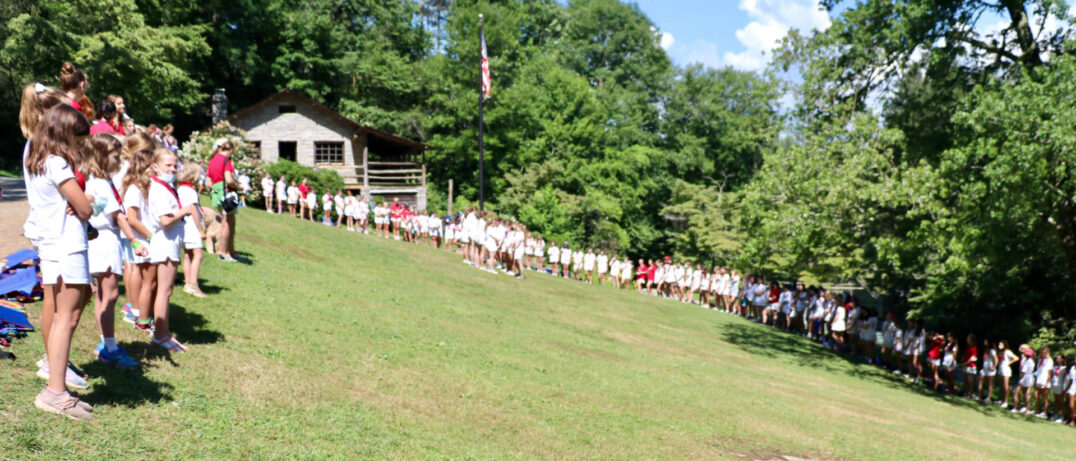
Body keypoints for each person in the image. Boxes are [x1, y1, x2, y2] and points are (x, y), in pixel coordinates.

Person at [25, 104, 95, 419]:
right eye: (78, 141)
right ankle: (55, 392)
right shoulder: (57, 164)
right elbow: (85, 209)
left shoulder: (35, 160)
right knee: (65, 318)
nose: (80, 147)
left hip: (52, 245)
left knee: (59, 317)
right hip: (68, 246)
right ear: (65, 135)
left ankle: (56, 387)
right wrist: (87, 199)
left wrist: (77, 200)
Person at [83, 133, 142, 369]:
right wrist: (134, 240)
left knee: (102, 294)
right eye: (116, 157)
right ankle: (109, 347)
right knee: (110, 295)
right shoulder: (100, 183)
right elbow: (117, 216)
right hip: (106, 240)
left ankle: (106, 341)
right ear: (101, 157)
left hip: (101, 239)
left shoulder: (99, 181)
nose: (119, 162)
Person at [144, 148, 196, 352]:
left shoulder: (165, 187)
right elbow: (165, 220)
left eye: (175, 166)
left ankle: (164, 332)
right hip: (165, 242)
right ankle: (160, 334)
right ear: (155, 168)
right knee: (164, 291)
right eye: (168, 166)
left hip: (170, 242)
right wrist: (184, 211)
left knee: (166, 290)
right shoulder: (158, 188)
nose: (173, 169)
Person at [207, 140, 240, 262]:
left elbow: (208, 182)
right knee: (227, 223)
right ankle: (224, 252)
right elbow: (229, 179)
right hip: (227, 193)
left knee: (229, 221)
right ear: (230, 150)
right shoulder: (227, 160)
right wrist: (239, 186)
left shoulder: (212, 161)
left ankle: (230, 251)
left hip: (217, 194)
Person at [177, 163, 207, 298]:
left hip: (183, 225)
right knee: (198, 254)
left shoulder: (180, 189)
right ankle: (193, 285)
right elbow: (193, 210)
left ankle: (187, 282)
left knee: (188, 254)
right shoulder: (191, 191)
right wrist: (200, 229)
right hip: (191, 226)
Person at [1014, 344, 1036, 414]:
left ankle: (1015, 407)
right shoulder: (1031, 361)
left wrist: (1020, 378)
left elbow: (1023, 371)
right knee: (1026, 393)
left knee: (1016, 391)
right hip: (1029, 377)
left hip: (1025, 377)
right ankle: (1027, 409)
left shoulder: (1027, 361)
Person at [1033, 346, 1054, 418]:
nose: (1043, 354)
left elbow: (1050, 373)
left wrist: (1047, 382)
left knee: (1045, 397)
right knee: (1036, 395)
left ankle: (1045, 412)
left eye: (1045, 352)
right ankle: (1037, 410)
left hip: (1045, 380)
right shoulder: (1039, 360)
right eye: (1042, 352)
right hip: (1039, 379)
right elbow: (1037, 371)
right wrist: (1035, 379)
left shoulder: (1050, 360)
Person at [997, 340, 1018, 408]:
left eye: (1001, 345)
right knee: (1001, 385)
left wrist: (1008, 363)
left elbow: (1016, 358)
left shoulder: (1008, 351)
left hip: (1006, 370)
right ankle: (1002, 400)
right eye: (999, 345)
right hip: (1000, 369)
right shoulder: (1000, 352)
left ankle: (1006, 401)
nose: (999, 346)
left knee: (1006, 386)